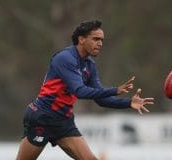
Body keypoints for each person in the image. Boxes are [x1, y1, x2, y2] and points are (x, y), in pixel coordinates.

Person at [16, 20, 154, 160]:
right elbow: (79, 91)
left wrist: (128, 103)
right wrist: (114, 90)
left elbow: (101, 100)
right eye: (95, 39)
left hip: (64, 121)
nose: (100, 43)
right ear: (81, 39)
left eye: (101, 40)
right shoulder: (65, 58)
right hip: (42, 118)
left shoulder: (89, 65)